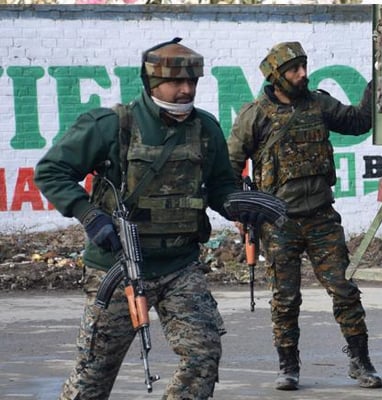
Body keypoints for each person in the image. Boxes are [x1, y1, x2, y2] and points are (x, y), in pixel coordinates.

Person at [34, 37, 241, 399]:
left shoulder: (205, 129)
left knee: (203, 355)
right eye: (176, 82)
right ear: (151, 82)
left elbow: (222, 185)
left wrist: (239, 204)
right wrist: (88, 214)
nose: (186, 89)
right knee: (93, 374)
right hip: (118, 267)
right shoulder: (111, 125)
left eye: (192, 81)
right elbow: (52, 171)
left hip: (180, 264)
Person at [226, 41, 382, 391]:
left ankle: (361, 361)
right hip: (278, 223)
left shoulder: (318, 103)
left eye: (304, 67)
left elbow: (358, 122)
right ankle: (288, 365)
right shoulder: (256, 115)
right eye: (295, 70)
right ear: (277, 77)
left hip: (322, 219)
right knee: (285, 297)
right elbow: (229, 167)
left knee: (344, 290)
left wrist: (377, 83)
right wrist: (240, 211)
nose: (303, 74)